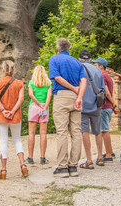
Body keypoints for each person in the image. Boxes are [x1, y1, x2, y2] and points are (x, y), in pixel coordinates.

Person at [49, 38, 87, 178]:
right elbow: (83, 80)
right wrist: (79, 96)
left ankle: (63, 167)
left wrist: (73, 89)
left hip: (62, 96)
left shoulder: (54, 59)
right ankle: (73, 166)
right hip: (76, 97)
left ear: (57, 48)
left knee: (62, 132)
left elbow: (57, 78)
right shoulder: (78, 63)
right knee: (76, 132)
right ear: (69, 49)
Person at [0, 60, 28, 180]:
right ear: (13, 70)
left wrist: (3, 110)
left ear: (3, 70)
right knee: (17, 140)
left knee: (3, 141)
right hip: (15, 115)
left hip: (1, 115)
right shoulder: (19, 83)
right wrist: (12, 111)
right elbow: (21, 98)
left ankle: (3, 170)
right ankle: (23, 165)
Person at [78, 50, 106, 169]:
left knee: (85, 132)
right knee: (97, 131)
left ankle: (89, 160)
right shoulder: (97, 70)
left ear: (79, 59)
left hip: (83, 104)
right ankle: (100, 157)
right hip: (96, 104)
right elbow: (102, 88)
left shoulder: (78, 68)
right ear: (90, 59)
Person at [92, 57, 120, 163]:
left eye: (95, 65)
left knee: (104, 130)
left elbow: (107, 92)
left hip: (104, 107)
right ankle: (110, 151)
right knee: (105, 129)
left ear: (101, 66)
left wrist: (113, 104)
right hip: (108, 107)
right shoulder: (108, 76)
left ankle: (108, 155)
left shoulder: (102, 76)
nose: (94, 67)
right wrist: (114, 105)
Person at [25, 65, 52, 165]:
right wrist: (45, 106)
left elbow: (31, 94)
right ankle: (43, 158)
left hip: (34, 107)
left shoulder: (32, 82)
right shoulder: (48, 83)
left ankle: (30, 158)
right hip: (44, 107)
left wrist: (38, 103)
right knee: (43, 133)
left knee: (31, 132)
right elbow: (49, 95)